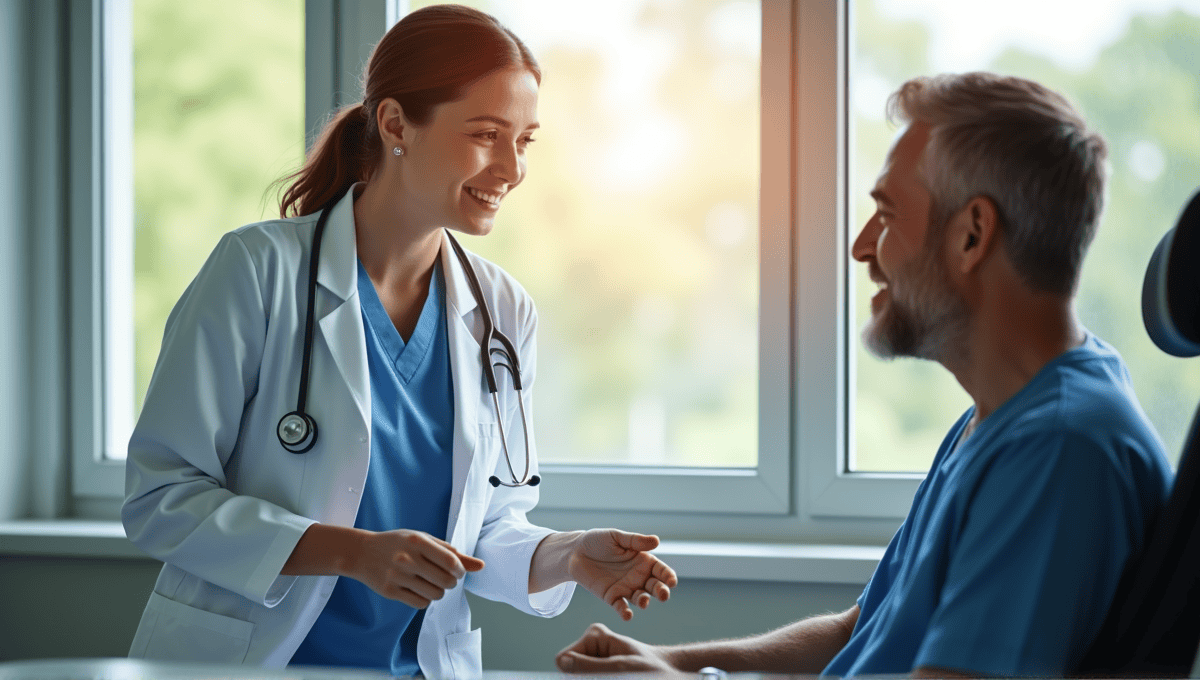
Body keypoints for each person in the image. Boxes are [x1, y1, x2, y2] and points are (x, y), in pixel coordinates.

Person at [121, 5, 677, 678]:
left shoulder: (502, 311)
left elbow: (486, 532)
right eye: (485, 134)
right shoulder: (257, 271)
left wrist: (567, 555)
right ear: (394, 125)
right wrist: (350, 552)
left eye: (525, 141)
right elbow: (161, 498)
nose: (512, 167)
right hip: (250, 663)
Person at [556, 72, 1174, 678]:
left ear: (972, 235)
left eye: (886, 213)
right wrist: (674, 663)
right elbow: (862, 633)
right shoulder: (1000, 415)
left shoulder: (1056, 451)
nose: (861, 246)